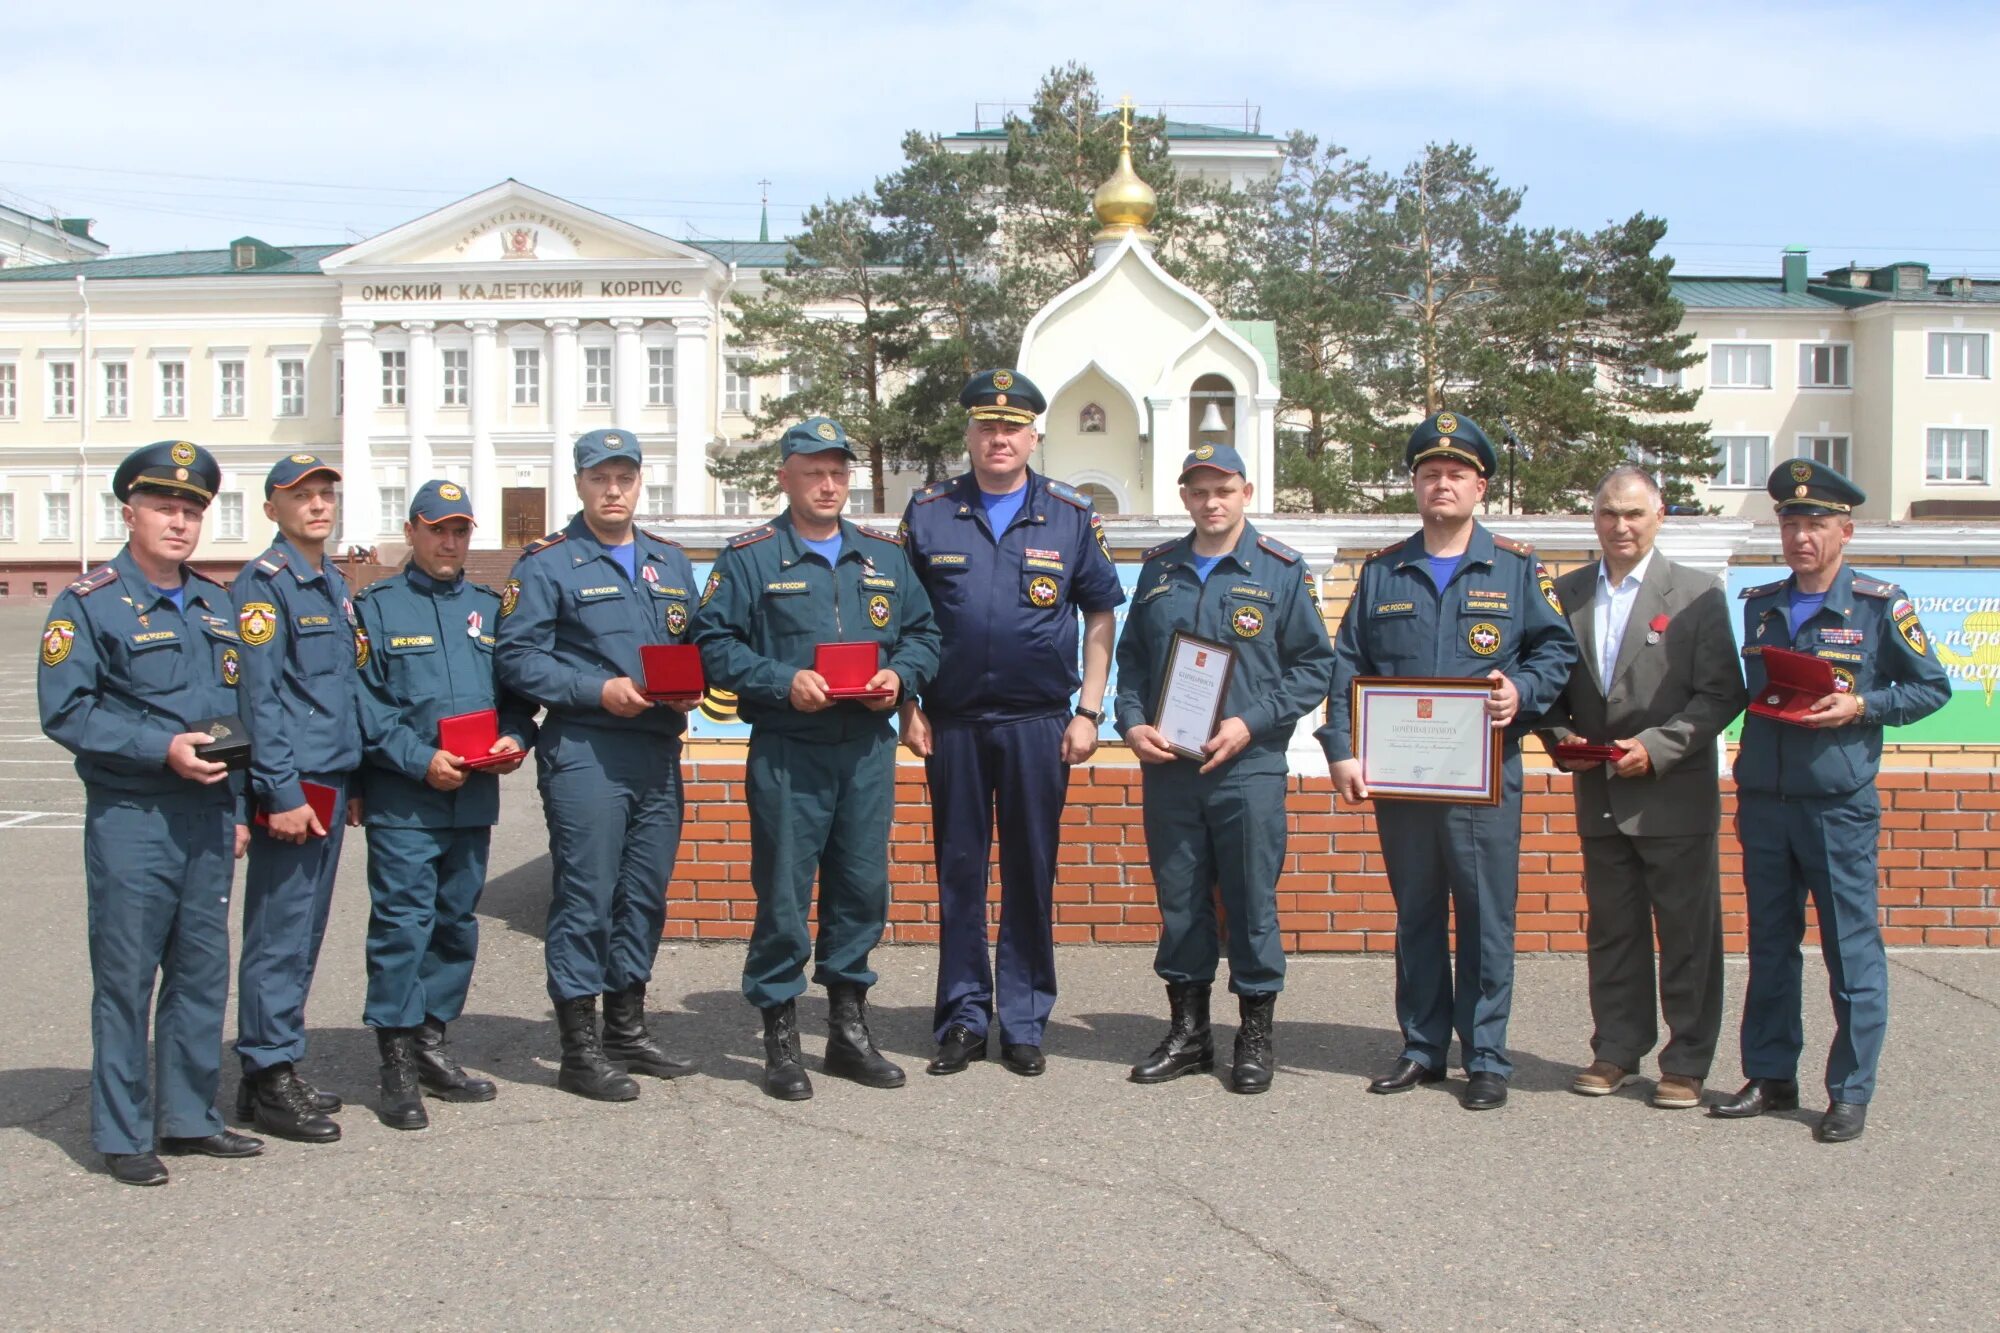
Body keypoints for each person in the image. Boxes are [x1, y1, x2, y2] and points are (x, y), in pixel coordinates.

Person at [1319, 412, 1577, 1110]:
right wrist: (1341, 750)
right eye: (1430, 472)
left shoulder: (1518, 569)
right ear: (1414, 483)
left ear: (1480, 487)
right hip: (1402, 781)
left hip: (1483, 777)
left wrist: (1520, 690)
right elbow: (1348, 666)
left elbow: (1558, 652)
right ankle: (1423, 1047)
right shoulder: (1381, 573)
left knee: (1487, 914)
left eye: (1456, 473)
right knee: (1419, 913)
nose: (1442, 483)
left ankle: (1487, 1055)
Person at [694, 416, 941, 1101]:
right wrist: (781, 681)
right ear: (785, 477)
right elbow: (712, 642)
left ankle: (846, 1029)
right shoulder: (749, 556)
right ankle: (779, 1034)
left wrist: (901, 676)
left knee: (862, 889)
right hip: (789, 748)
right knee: (782, 893)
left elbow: (923, 633)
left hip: (864, 747)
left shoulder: (884, 557)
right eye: (813, 471)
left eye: (837, 472)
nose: (828, 484)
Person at [38, 441, 263, 1185]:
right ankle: (123, 1129)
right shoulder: (90, 603)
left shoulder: (214, 602)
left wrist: (233, 805)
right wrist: (159, 745)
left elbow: (232, 715)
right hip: (134, 813)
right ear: (129, 511)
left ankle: (190, 1116)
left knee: (202, 971)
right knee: (128, 977)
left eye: (193, 508)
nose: (180, 520)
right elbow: (66, 710)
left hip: (204, 815)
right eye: (166, 506)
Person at [1711, 459, 1949, 1143]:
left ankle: (1849, 1089)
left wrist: (1862, 705)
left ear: (1845, 530)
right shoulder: (1761, 602)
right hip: (1766, 800)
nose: (1801, 534)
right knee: (1769, 946)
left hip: (1836, 804)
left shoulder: (1879, 603)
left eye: (1815, 522)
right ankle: (1770, 1074)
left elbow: (1932, 689)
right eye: (1790, 521)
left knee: (1850, 949)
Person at [898, 369, 1124, 1078]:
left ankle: (1023, 1018)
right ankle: (964, 1016)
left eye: (1012, 426)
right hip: (952, 722)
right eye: (986, 426)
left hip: (1038, 723)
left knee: (1031, 871)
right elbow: (899, 619)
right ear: (968, 433)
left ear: (1033, 435)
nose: (999, 438)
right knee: (960, 873)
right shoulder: (929, 511)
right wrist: (906, 704)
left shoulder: (1069, 512)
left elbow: (1100, 614)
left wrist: (1090, 710)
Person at [1112, 442, 1335, 1094]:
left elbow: (1313, 667)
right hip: (1172, 770)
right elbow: (1132, 666)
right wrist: (1130, 723)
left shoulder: (1281, 571)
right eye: (1199, 490)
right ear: (1184, 495)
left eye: (1224, 489)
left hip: (1247, 768)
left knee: (1250, 902)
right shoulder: (1157, 570)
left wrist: (1251, 720)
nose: (1212, 502)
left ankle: (1255, 1034)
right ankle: (1188, 1033)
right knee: (1180, 903)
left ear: (1246, 491)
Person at [495, 428, 700, 1102]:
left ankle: (626, 1027)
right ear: (579, 484)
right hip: (587, 748)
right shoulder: (549, 563)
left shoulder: (668, 563)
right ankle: (578, 1050)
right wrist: (596, 689)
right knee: (587, 895)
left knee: (643, 893)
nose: (613, 490)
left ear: (640, 482)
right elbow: (517, 658)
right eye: (599, 478)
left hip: (658, 747)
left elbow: (692, 643)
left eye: (624, 477)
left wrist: (697, 684)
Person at [1536, 465, 1747, 1109]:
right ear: (1593, 518)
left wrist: (1655, 749)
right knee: (1614, 930)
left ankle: (1686, 1060)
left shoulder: (1697, 593)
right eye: (1607, 513)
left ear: (1660, 517)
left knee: (1687, 934)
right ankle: (1616, 1050)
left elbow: (1722, 694)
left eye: (1633, 514)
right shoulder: (1564, 594)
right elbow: (1546, 684)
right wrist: (1556, 736)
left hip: (1671, 795)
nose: (1620, 526)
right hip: (1597, 793)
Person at [354, 481, 535, 1129]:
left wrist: (518, 734)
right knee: (403, 925)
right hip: (405, 798)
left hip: (472, 799)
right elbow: (367, 707)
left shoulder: (491, 607)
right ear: (412, 531)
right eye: (437, 529)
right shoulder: (377, 606)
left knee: (455, 922)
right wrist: (416, 757)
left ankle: (432, 1041)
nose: (450, 541)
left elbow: (518, 691)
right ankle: (396, 1060)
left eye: (460, 529)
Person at [232, 453, 363, 1143]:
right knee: (279, 933)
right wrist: (280, 791)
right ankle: (266, 1066)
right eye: (301, 496)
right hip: (296, 786)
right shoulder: (266, 584)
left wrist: (357, 782)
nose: (317, 505)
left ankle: (272, 1068)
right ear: (271, 509)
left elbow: (337, 691)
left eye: (324, 494)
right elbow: (261, 698)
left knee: (304, 931)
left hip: (331, 780)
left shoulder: (330, 582)